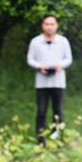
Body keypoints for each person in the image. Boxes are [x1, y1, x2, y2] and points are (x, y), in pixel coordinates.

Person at [26, 14, 72, 145]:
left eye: (52, 24)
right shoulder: (35, 42)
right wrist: (40, 66)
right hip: (41, 83)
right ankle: (40, 139)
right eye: (47, 24)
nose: (49, 27)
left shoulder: (63, 41)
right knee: (41, 111)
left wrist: (60, 65)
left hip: (58, 81)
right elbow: (30, 59)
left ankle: (55, 139)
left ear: (56, 26)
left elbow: (68, 59)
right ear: (42, 25)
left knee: (58, 111)